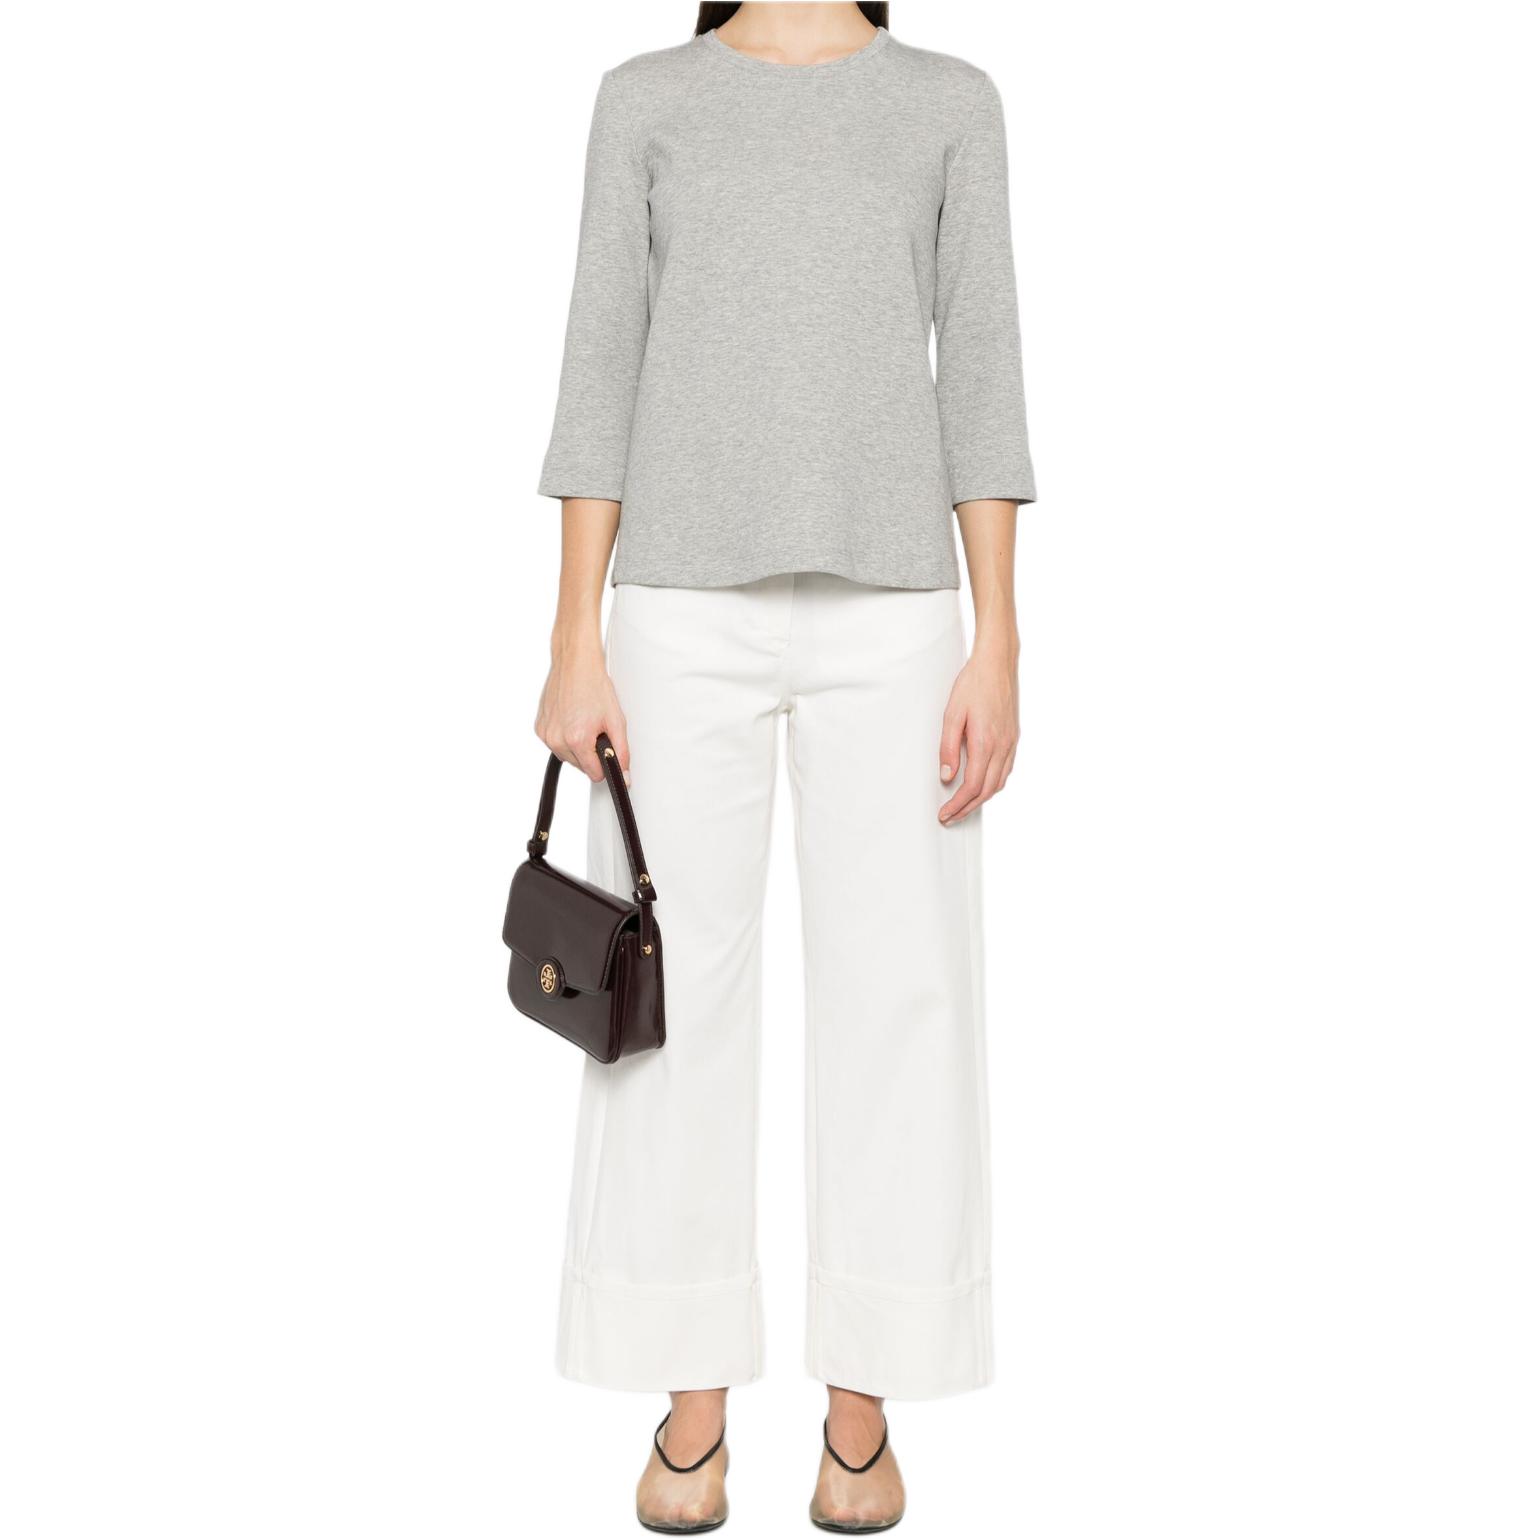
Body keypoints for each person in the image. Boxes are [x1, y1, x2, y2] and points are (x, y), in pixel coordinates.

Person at [533, 2, 1034, 1530]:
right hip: (677, 609)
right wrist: (572, 637)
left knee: (903, 997)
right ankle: (691, 1404)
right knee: (666, 1004)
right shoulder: (646, 99)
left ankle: (862, 1412)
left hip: (897, 612)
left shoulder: (950, 102)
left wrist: (1000, 639)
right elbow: (601, 364)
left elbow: (982, 373)